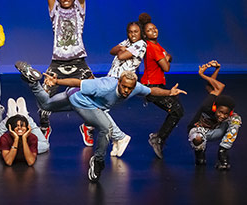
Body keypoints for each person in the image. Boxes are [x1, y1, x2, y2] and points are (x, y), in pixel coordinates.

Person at [16, 62, 186, 182]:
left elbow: (151, 91)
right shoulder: (105, 85)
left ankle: (32, 81)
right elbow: (79, 82)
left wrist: (169, 93)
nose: (126, 91)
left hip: (74, 96)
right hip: (80, 99)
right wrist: (56, 81)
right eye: (124, 87)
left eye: (130, 88)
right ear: (118, 81)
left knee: (46, 104)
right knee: (105, 128)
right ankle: (98, 162)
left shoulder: (135, 87)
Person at [40, 0, 94, 140]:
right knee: (44, 97)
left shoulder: (80, 10)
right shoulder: (54, 11)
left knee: (93, 92)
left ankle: (88, 127)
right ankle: (44, 127)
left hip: (79, 62)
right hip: (57, 63)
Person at [80, 21, 147, 157]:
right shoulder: (127, 42)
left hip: (121, 82)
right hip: (111, 78)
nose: (132, 34)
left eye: (136, 32)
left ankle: (119, 136)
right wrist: (122, 48)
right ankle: (114, 137)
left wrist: (121, 49)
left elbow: (121, 55)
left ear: (140, 33)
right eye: (130, 32)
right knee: (99, 108)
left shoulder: (141, 45)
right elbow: (112, 50)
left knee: (99, 110)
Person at [141, 21, 186, 159]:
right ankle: (158, 139)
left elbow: (169, 57)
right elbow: (166, 67)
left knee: (177, 110)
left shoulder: (156, 45)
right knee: (177, 110)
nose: (153, 30)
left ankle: (159, 137)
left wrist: (166, 58)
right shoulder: (152, 47)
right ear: (145, 34)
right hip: (152, 87)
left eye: (155, 27)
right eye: (149, 30)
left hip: (158, 84)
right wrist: (166, 59)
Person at [188, 60, 241, 170]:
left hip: (218, 130)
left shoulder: (223, 108)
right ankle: (200, 155)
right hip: (201, 131)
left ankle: (223, 153)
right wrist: (201, 74)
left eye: (226, 114)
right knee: (197, 137)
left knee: (236, 118)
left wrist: (216, 69)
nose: (222, 116)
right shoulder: (207, 105)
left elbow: (211, 87)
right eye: (220, 112)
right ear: (214, 108)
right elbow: (220, 86)